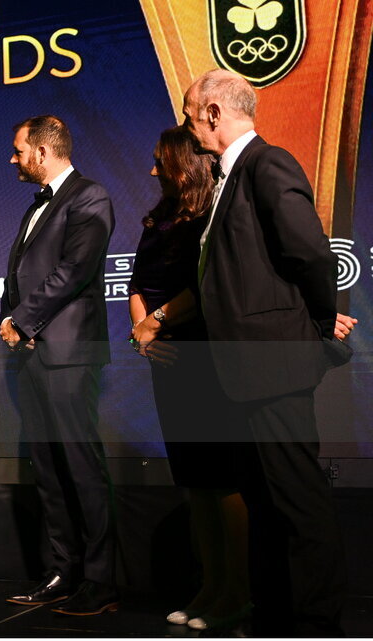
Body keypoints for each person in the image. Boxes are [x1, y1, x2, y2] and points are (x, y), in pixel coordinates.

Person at [170, 68, 351, 635]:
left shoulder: (267, 164)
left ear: (214, 113)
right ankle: (275, 615)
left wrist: (322, 325)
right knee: (265, 501)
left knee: (296, 503)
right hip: (241, 371)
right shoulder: (230, 175)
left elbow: (312, 256)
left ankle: (315, 623)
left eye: (189, 113)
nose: (187, 124)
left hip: (274, 363)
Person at [127, 127, 250, 631]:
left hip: (203, 354)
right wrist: (143, 331)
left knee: (222, 479)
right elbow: (137, 281)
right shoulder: (158, 217)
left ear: (183, 164)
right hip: (165, 360)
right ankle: (208, 585)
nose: (152, 171)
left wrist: (157, 320)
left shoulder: (207, 215)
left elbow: (208, 284)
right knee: (193, 481)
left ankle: (236, 592)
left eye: (160, 161)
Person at [0, 116, 118, 615]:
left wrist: (22, 319)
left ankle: (101, 580)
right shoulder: (36, 205)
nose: (13, 159)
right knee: (48, 469)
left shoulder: (90, 196)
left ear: (43, 152)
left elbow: (75, 270)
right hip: (33, 355)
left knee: (80, 467)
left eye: (19, 150)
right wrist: (16, 323)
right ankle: (61, 571)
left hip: (69, 354)